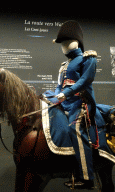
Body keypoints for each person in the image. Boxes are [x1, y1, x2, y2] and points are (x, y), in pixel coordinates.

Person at [44, 20, 101, 189]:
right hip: (65, 102)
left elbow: (85, 81)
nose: (64, 46)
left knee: (74, 129)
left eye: (66, 42)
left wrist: (65, 93)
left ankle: (86, 177)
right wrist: (54, 97)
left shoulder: (88, 58)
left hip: (81, 102)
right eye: (62, 43)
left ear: (75, 42)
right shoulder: (64, 65)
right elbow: (59, 85)